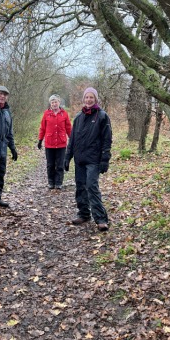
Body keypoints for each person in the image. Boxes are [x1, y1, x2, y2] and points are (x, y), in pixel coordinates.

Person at [64, 87, 112, 232]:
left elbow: (107, 139)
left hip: (94, 159)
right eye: (86, 97)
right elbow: (72, 139)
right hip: (79, 159)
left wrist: (105, 159)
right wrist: (67, 157)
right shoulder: (78, 117)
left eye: (91, 97)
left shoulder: (102, 116)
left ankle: (101, 219)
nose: (89, 100)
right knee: (80, 186)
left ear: (95, 99)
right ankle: (84, 214)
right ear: (83, 99)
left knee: (91, 186)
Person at [37, 94, 72, 189]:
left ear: (59, 102)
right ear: (50, 104)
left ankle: (59, 182)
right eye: (52, 102)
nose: (54, 104)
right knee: (50, 164)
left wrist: (72, 139)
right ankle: (51, 182)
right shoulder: (46, 114)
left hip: (61, 143)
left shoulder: (64, 114)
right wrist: (40, 140)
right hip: (49, 144)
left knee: (60, 164)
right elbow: (42, 128)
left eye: (56, 102)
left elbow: (68, 128)